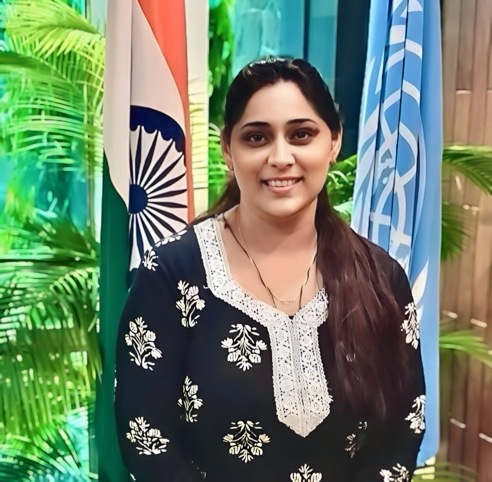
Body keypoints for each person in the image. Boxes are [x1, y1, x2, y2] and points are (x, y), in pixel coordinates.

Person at [114, 57, 426, 482]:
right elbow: (147, 440)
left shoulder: (381, 279)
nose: (280, 157)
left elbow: (401, 434)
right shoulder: (170, 274)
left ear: (334, 142)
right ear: (228, 150)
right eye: (257, 137)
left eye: (301, 134)